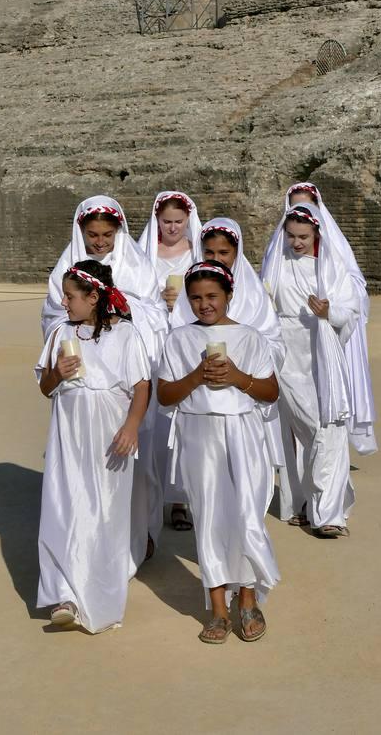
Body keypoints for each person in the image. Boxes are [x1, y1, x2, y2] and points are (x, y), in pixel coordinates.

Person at [41, 195, 168, 567]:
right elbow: (53, 317)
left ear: (119, 231)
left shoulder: (137, 266)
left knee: (135, 467)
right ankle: (86, 549)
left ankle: (138, 536)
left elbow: (156, 317)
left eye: (107, 235)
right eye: (92, 235)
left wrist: (122, 308)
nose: (100, 242)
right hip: (82, 385)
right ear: (81, 232)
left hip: (125, 382)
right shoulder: (66, 267)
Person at [157, 261, 280, 644]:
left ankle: (248, 599)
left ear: (229, 295)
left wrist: (238, 378)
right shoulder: (178, 339)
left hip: (243, 434)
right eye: (195, 298)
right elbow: (164, 396)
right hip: (199, 435)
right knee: (209, 517)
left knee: (246, 514)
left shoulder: (249, 337)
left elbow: (271, 392)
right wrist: (196, 376)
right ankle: (217, 608)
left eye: (212, 296)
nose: (204, 304)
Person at [36, 260, 151, 632]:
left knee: (103, 510)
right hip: (68, 435)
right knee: (64, 506)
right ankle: (63, 594)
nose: (63, 303)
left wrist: (132, 425)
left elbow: (141, 385)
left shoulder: (126, 334)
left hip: (110, 435)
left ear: (93, 297)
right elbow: (45, 387)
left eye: (70, 296)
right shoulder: (60, 332)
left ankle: (97, 586)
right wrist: (58, 373)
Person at [262, 204, 360, 537]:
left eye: (303, 236)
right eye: (291, 236)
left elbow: (350, 309)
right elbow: (263, 303)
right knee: (307, 428)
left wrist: (329, 311)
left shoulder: (331, 267)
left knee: (329, 428)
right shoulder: (276, 263)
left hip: (321, 351)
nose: (297, 242)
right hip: (287, 354)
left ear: (317, 233)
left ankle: (328, 513)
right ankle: (305, 500)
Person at [171, 217, 286, 479]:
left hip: (243, 405)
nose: (217, 259)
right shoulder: (191, 294)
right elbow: (177, 343)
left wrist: (242, 355)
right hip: (199, 407)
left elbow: (274, 343)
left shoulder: (255, 296)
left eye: (224, 253)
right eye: (209, 253)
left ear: (237, 252)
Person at [275, 182, 377, 455]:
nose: (297, 241)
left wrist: (329, 310)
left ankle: (327, 462)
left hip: (324, 340)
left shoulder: (334, 254)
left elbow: (352, 291)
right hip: (288, 346)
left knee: (322, 417)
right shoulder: (278, 256)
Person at [137, 191, 202, 531]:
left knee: (181, 415)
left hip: (186, 335)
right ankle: (150, 494)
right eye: (167, 222)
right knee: (155, 416)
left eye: (179, 221)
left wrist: (186, 303)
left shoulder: (197, 252)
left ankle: (179, 500)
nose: (173, 227)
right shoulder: (144, 254)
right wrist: (157, 299)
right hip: (155, 338)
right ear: (157, 221)